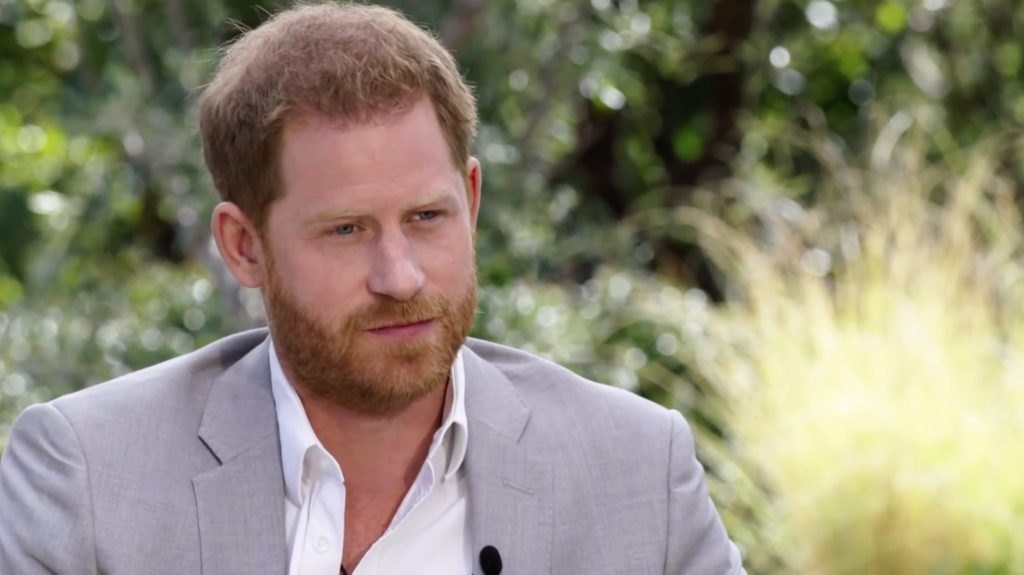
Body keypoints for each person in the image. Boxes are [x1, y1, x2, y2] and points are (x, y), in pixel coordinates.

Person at [0, 3, 744, 574]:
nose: (400, 276)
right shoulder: (88, 478)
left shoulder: (637, 471)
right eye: (346, 230)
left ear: (471, 201)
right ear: (243, 246)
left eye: (427, 217)